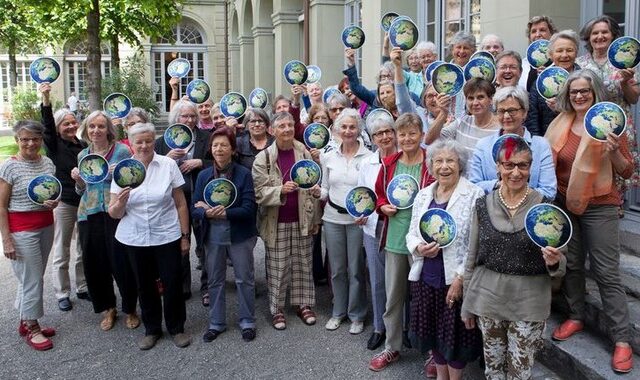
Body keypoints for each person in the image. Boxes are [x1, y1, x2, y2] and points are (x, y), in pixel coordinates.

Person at [546, 69, 636, 373]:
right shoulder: (560, 123)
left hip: (600, 205)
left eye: (585, 91)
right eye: (574, 92)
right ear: (567, 96)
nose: (580, 96)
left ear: (595, 92)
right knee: (571, 264)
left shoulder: (610, 124)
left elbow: (626, 171)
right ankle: (576, 315)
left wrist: (612, 154)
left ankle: (621, 340)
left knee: (606, 272)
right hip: (564, 204)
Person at [461, 135, 566, 379]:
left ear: (531, 167)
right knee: (493, 371)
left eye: (523, 165)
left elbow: (561, 265)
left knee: (520, 373)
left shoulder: (545, 207)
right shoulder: (482, 204)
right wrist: (467, 304)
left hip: (528, 303)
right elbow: (472, 256)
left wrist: (554, 262)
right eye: (509, 165)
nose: (516, 172)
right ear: (498, 167)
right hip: (488, 301)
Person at [108, 122, 191, 350]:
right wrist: (120, 202)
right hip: (134, 237)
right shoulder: (123, 170)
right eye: (139, 141)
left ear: (154, 141)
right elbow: (113, 212)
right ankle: (152, 328)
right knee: (144, 285)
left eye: (148, 141)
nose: (144, 146)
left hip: (166, 234)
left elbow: (181, 204)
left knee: (172, 281)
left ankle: (177, 328)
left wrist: (185, 236)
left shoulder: (167, 165)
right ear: (131, 143)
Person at [406, 140, 484, 379]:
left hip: (454, 279)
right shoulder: (423, 195)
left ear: (460, 164)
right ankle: (441, 376)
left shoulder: (474, 194)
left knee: (455, 336)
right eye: (438, 161)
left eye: (450, 160)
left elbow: (477, 244)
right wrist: (419, 247)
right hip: (426, 276)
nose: (444, 166)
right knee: (432, 332)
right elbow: (411, 233)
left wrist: (460, 279)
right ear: (431, 166)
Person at [369, 113, 435, 372]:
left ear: (421, 134)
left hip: (423, 241)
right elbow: (379, 196)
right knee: (393, 298)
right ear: (397, 136)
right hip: (396, 239)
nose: (407, 139)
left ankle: (431, 352)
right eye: (402, 134)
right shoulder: (389, 164)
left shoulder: (431, 162)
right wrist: (382, 206)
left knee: (425, 299)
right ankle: (392, 347)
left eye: (412, 133)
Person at [252, 112, 322, 330]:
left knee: (303, 263)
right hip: (276, 221)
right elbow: (258, 192)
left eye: (290, 125)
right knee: (278, 266)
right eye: (281, 126)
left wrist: (316, 212)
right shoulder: (263, 158)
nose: (287, 129)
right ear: (272, 130)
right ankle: (277, 309)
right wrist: (280, 190)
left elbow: (313, 186)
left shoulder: (304, 153)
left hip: (303, 217)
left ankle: (304, 304)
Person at [72, 111, 139, 331]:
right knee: (95, 263)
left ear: (109, 129)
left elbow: (134, 179)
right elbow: (81, 189)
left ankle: (130, 308)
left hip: (116, 211)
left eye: (101, 126)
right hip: (89, 212)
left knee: (121, 261)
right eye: (92, 127)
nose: (96, 131)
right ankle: (107, 308)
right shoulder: (83, 155)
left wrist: (116, 173)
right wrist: (79, 180)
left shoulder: (121, 150)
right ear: (86, 130)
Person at [192, 127, 259, 342]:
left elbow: (249, 209)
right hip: (213, 235)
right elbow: (194, 206)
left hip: (240, 234)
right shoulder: (203, 176)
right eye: (215, 145)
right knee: (215, 279)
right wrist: (204, 211)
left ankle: (247, 321)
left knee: (244, 278)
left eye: (223, 145)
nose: (219, 149)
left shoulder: (243, 174)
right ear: (210, 150)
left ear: (233, 149)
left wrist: (224, 213)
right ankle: (216, 323)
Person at [0, 120, 58, 351]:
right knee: (32, 279)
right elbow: (1, 206)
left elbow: (52, 193)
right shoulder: (9, 167)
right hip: (22, 229)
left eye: (35, 138)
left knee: (32, 277)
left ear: (41, 140)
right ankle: (33, 327)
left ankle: (26, 319)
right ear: (17, 140)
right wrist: (6, 239)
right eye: (25, 139)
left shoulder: (48, 164)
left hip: (45, 225)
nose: (30, 143)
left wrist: (55, 201)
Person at [320, 109, 372, 335]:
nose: (348, 131)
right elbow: (325, 189)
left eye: (352, 127)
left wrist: (368, 213)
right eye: (344, 127)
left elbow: (371, 192)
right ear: (337, 130)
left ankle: (357, 314)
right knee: (337, 269)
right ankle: (338, 311)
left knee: (356, 269)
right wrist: (315, 192)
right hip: (332, 218)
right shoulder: (328, 156)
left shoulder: (369, 157)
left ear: (359, 129)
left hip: (357, 221)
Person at [39, 83, 89, 312]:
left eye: (73, 122)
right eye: (66, 123)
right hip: (65, 203)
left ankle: (81, 286)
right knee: (61, 249)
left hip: (84, 201)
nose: (71, 126)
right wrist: (46, 97)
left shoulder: (83, 145)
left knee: (82, 247)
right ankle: (62, 292)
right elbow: (46, 126)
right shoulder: (54, 145)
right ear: (58, 128)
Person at [155, 99, 212, 299]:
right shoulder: (162, 142)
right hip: (174, 201)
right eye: (185, 116)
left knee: (205, 243)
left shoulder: (208, 137)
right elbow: (152, 169)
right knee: (180, 243)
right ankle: (183, 287)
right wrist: (166, 159)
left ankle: (207, 287)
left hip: (200, 197)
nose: (189, 120)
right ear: (176, 118)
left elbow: (222, 161)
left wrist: (201, 162)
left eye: (192, 116)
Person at [576, 15, 640, 189]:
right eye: (595, 33)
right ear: (588, 38)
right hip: (589, 128)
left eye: (605, 32)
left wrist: (625, 82)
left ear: (613, 35)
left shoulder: (625, 62)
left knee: (619, 173)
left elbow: (634, 99)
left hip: (619, 127)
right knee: (593, 176)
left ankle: (617, 210)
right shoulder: (579, 64)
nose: (600, 36)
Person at [468, 86, 557, 199]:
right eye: (501, 111)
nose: (506, 116)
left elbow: (549, 192)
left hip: (527, 212)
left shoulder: (541, 145)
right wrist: (498, 185)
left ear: (524, 112)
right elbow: (473, 186)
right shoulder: (483, 145)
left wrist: (516, 191)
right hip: (492, 212)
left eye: (512, 111)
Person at [358, 114, 398, 350]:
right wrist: (360, 212)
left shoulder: (405, 160)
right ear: (372, 138)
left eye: (388, 131)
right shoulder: (367, 164)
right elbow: (361, 194)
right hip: (374, 228)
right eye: (378, 134)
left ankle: (401, 328)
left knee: (399, 282)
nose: (384, 137)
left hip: (399, 228)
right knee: (377, 280)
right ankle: (379, 327)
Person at [525, 30, 581, 136]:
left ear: (576, 53)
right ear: (550, 55)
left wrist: (563, 110)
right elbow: (533, 121)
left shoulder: (587, 80)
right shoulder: (540, 84)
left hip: (578, 140)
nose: (564, 55)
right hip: (549, 142)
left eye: (569, 50)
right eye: (559, 51)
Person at [425, 78, 500, 157]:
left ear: (491, 99)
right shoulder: (461, 122)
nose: (475, 103)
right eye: (471, 98)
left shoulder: (501, 128)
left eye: (480, 97)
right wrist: (443, 113)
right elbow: (429, 140)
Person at [519, 15, 557, 90]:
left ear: (552, 34)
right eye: (533, 31)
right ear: (529, 37)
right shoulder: (522, 64)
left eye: (542, 30)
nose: (538, 34)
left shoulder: (560, 61)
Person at [448, 32, 477, 118]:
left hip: (470, 120)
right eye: (458, 47)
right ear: (452, 49)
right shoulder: (443, 71)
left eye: (466, 48)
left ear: (473, 51)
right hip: (447, 121)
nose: (461, 51)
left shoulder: (476, 72)